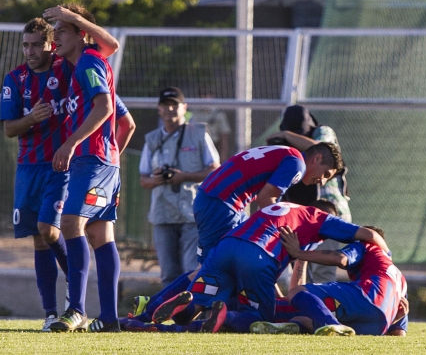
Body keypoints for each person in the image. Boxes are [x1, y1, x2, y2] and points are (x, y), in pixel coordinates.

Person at [0, 15, 128, 331]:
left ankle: (77, 303)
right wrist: (31, 118)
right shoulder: (15, 79)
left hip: (69, 165)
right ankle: (55, 313)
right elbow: (8, 128)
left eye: (37, 44)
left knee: (58, 227)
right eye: (25, 45)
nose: (29, 52)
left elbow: (114, 110)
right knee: (49, 236)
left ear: (51, 46)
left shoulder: (75, 66)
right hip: (32, 167)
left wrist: (106, 160)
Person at [128, 141, 344, 323]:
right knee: (217, 268)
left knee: (211, 267)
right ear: (315, 159)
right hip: (224, 203)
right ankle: (154, 311)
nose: (322, 181)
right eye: (325, 174)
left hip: (216, 198)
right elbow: (265, 200)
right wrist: (269, 237)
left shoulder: (287, 153)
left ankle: (159, 305)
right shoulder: (297, 164)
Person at [150, 200, 390, 334]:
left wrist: (300, 255)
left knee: (195, 307)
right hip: (257, 255)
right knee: (261, 317)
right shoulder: (318, 218)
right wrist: (386, 252)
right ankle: (227, 316)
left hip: (226, 246)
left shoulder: (288, 210)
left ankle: (186, 306)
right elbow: (366, 235)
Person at [43, 3, 123, 333]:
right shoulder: (82, 65)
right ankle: (110, 319)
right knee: (99, 234)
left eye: (62, 30)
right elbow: (126, 121)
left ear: (80, 33)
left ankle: (76, 310)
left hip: (92, 159)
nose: (54, 37)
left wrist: (72, 143)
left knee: (70, 222)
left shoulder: (90, 61)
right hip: (98, 160)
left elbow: (105, 107)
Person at [249, 225, 408, 336]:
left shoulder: (367, 246)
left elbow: (341, 259)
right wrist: (395, 317)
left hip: (365, 298)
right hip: (376, 327)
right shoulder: (400, 280)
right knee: (302, 319)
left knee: (296, 293)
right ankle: (296, 326)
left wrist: (298, 253)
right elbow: (398, 333)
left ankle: (332, 324)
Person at [139, 86, 220, 287]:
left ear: (184, 107)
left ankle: (191, 313)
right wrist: (157, 180)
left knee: (192, 269)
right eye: (165, 105)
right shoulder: (152, 139)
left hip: (191, 213)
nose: (170, 110)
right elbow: (143, 179)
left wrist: (184, 177)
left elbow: (215, 169)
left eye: (174, 105)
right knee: (168, 273)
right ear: (159, 109)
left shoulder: (199, 133)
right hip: (162, 213)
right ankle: (170, 314)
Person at [267, 104, 351, 285]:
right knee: (300, 274)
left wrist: (288, 136)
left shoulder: (322, 132)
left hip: (328, 214)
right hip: (301, 218)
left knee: (322, 274)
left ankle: (323, 312)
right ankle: (306, 311)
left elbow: (322, 149)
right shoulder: (288, 145)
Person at [189, 95, 232, 162]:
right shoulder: (193, 113)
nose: (206, 100)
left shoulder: (219, 114)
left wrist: (223, 154)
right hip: (196, 147)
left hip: (214, 146)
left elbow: (224, 135)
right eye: (203, 97)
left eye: (208, 97)